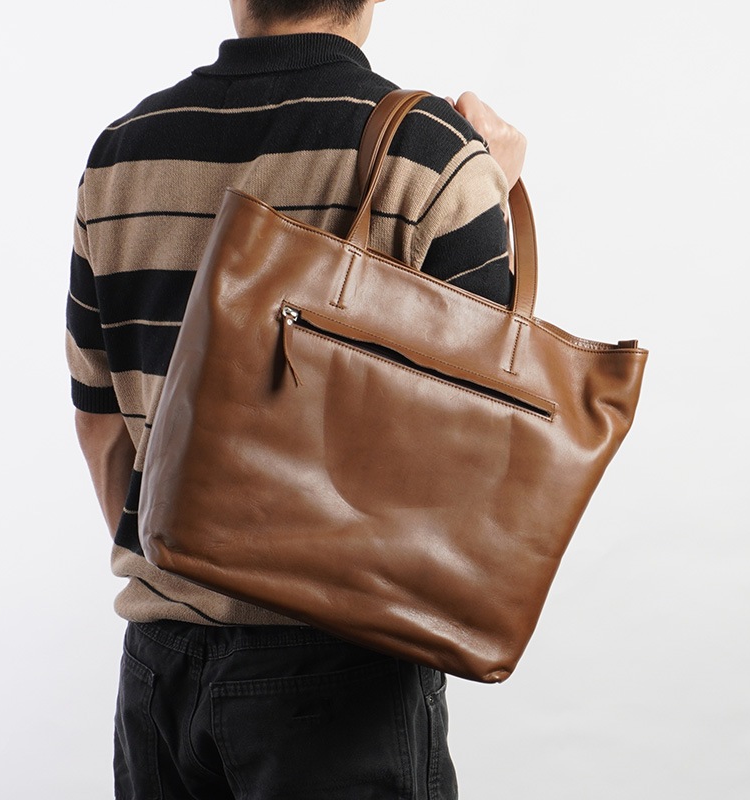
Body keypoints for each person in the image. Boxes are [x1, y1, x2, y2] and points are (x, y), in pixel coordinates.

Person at [67, 0, 526, 796]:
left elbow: (99, 422)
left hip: (159, 670)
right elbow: (481, 444)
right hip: (342, 673)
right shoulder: (432, 155)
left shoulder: (121, 153)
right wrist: (491, 186)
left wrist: (185, 566)